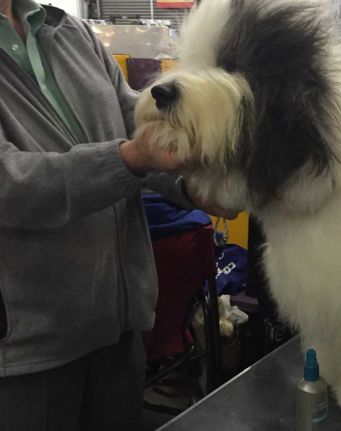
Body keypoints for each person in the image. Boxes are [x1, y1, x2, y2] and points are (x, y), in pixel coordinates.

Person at [0, 0, 227, 429]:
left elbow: (135, 121)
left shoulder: (70, 32)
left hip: (118, 327)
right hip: (28, 350)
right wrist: (131, 159)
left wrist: (194, 186)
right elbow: (10, 186)